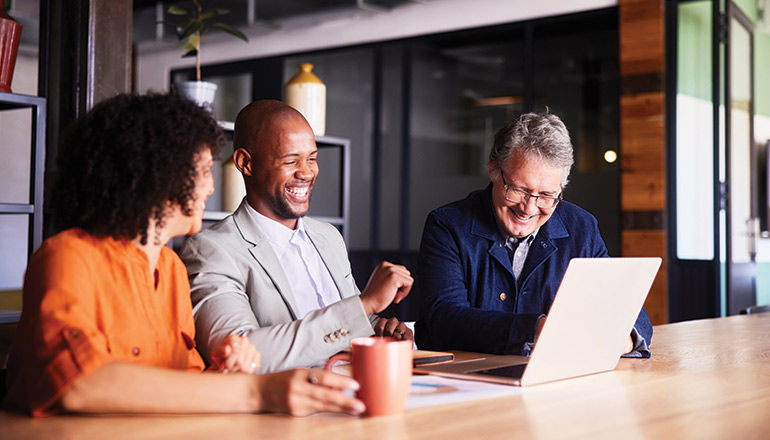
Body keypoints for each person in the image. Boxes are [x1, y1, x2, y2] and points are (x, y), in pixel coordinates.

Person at [2, 93, 364, 417]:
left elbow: (184, 380)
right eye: (204, 171)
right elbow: (79, 383)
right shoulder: (68, 257)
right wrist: (256, 390)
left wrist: (226, 372)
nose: (211, 186)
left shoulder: (171, 269)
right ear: (155, 174)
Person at [179, 100, 414, 373]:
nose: (306, 172)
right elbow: (235, 353)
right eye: (291, 161)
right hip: (294, 397)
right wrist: (365, 305)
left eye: (312, 158)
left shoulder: (328, 237)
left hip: (364, 383)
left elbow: (350, 325)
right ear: (245, 163)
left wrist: (379, 328)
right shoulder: (211, 250)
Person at [415, 112, 652, 357]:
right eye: (518, 190)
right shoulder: (447, 226)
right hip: (462, 376)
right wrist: (536, 330)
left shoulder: (582, 228)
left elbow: (629, 310)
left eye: (547, 196)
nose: (528, 208)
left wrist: (623, 339)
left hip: (554, 376)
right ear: (493, 169)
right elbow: (444, 320)